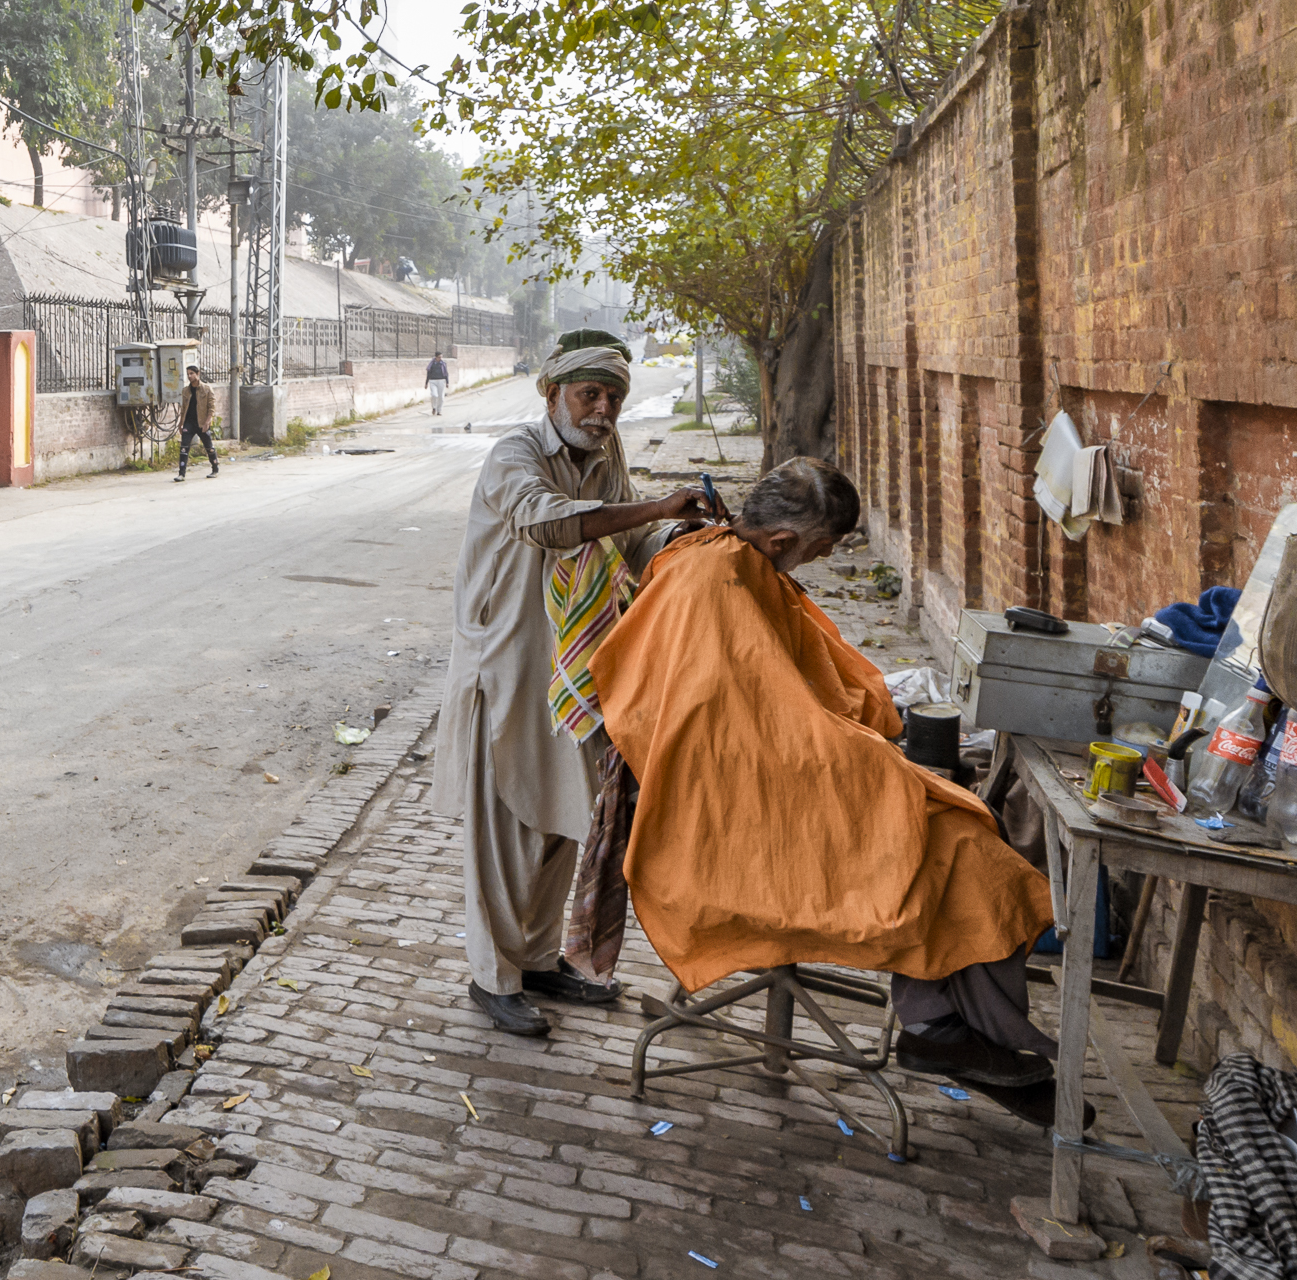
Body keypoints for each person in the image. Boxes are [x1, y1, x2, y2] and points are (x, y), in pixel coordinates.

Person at [589, 458, 1090, 1127]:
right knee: (971, 854)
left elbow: (790, 696)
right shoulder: (713, 581)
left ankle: (940, 1022)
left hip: (765, 781)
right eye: (819, 551)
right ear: (782, 542)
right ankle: (939, 1030)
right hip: (730, 817)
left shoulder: (729, 560)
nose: (817, 563)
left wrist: (871, 740)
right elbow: (746, 736)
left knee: (959, 832)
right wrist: (875, 770)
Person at [432, 329, 714, 1037]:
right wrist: (655, 509)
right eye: (590, 394)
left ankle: (535, 959)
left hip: (573, 663)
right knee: (501, 828)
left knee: (560, 818)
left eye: (614, 397)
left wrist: (683, 537)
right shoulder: (515, 455)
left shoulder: (604, 458)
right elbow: (552, 527)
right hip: (507, 666)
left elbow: (625, 541)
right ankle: (492, 980)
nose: (603, 409)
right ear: (554, 393)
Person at [174, 367, 218, 482]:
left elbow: (211, 408)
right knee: (184, 447)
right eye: (188, 374)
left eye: (192, 373)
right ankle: (181, 474)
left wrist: (207, 422)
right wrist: (181, 423)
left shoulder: (207, 389)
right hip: (189, 422)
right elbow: (183, 408)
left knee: (209, 446)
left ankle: (215, 469)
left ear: (198, 374)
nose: (189, 376)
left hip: (202, 422)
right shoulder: (186, 391)